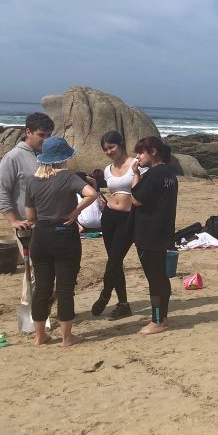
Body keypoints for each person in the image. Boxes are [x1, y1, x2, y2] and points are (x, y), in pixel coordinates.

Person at [23, 137, 97, 347]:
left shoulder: (32, 181)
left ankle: (40, 336)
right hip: (64, 235)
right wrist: (75, 211)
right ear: (63, 158)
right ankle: (67, 338)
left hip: (41, 236)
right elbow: (91, 194)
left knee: (42, 289)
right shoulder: (68, 177)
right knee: (65, 289)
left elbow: (30, 216)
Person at [130, 136, 178, 334]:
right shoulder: (169, 173)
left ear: (153, 152)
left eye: (141, 152)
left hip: (149, 233)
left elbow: (136, 199)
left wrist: (135, 174)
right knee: (160, 277)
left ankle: (157, 321)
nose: (137, 157)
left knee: (154, 279)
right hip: (162, 230)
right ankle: (162, 318)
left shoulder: (154, 174)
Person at [91, 131, 140, 320]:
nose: (109, 151)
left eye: (112, 147)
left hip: (128, 218)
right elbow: (110, 191)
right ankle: (123, 304)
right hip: (109, 216)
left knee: (114, 260)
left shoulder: (135, 164)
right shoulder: (107, 169)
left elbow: (141, 190)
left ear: (121, 144)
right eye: (105, 149)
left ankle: (105, 294)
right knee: (115, 260)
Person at [0, 112, 55, 231]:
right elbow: (1, 192)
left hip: (50, 224)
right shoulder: (13, 157)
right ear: (28, 132)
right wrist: (14, 221)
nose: (46, 140)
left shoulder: (49, 156)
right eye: (41, 135)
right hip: (27, 226)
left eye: (49, 135)